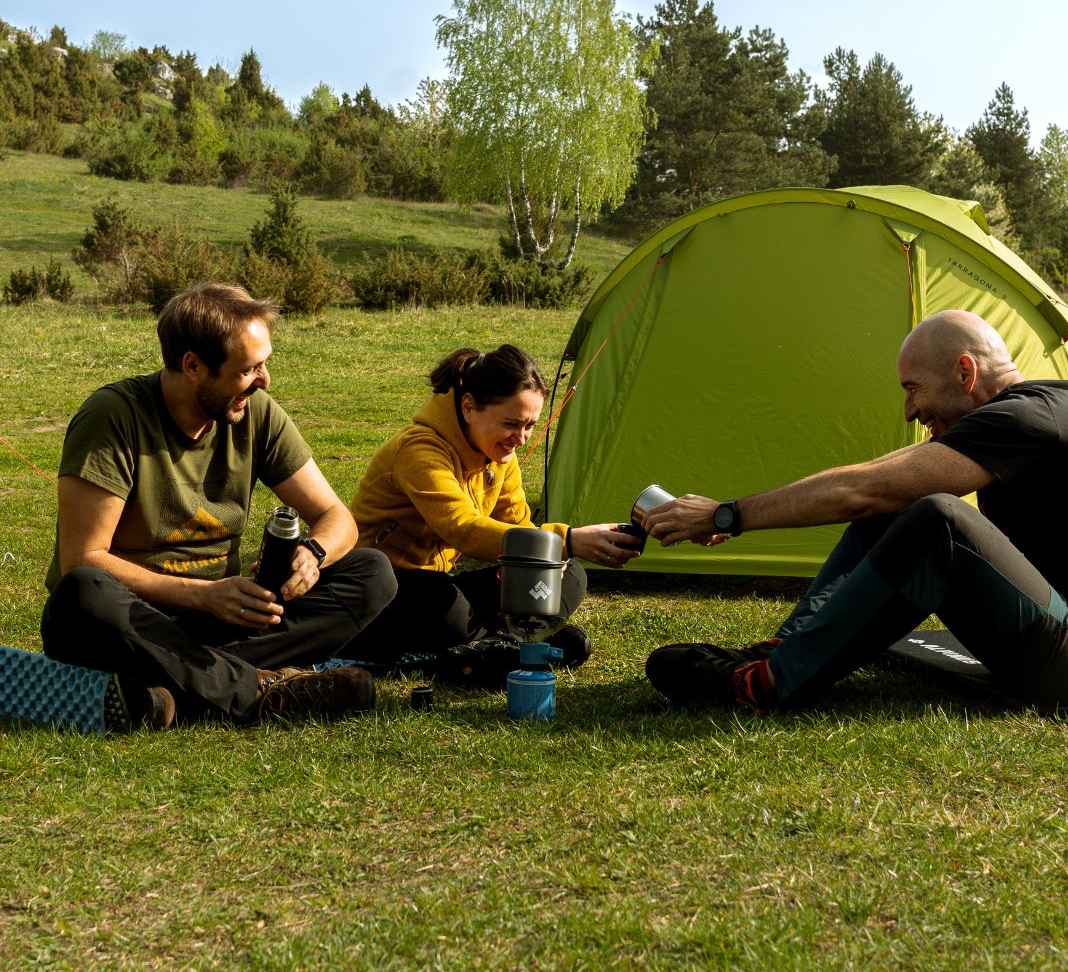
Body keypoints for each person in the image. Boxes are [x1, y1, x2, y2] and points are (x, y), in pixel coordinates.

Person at [642, 309, 1068, 713]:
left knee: (937, 519)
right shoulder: (1026, 412)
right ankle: (782, 650)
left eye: (913, 389)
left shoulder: (1030, 418)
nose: (909, 410)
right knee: (901, 502)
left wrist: (727, 516)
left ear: (965, 372)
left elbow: (864, 490)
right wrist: (730, 513)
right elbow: (881, 477)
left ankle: (767, 685)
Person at [41, 282, 397, 730]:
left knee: (371, 572)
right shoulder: (113, 416)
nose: (264, 380)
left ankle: (178, 689)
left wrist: (314, 554)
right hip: (130, 619)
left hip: (223, 619)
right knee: (83, 591)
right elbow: (82, 559)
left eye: (263, 364)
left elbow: (336, 517)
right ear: (193, 366)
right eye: (249, 369)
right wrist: (204, 595)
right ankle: (259, 690)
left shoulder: (255, 411)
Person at [342, 343, 640, 671]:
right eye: (511, 424)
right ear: (469, 407)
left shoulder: (499, 455)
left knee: (569, 574)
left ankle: (505, 643)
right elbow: (463, 529)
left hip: (442, 584)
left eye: (530, 425)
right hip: (384, 591)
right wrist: (564, 541)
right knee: (445, 603)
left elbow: (518, 527)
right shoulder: (419, 451)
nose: (521, 438)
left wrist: (554, 557)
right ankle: (517, 643)